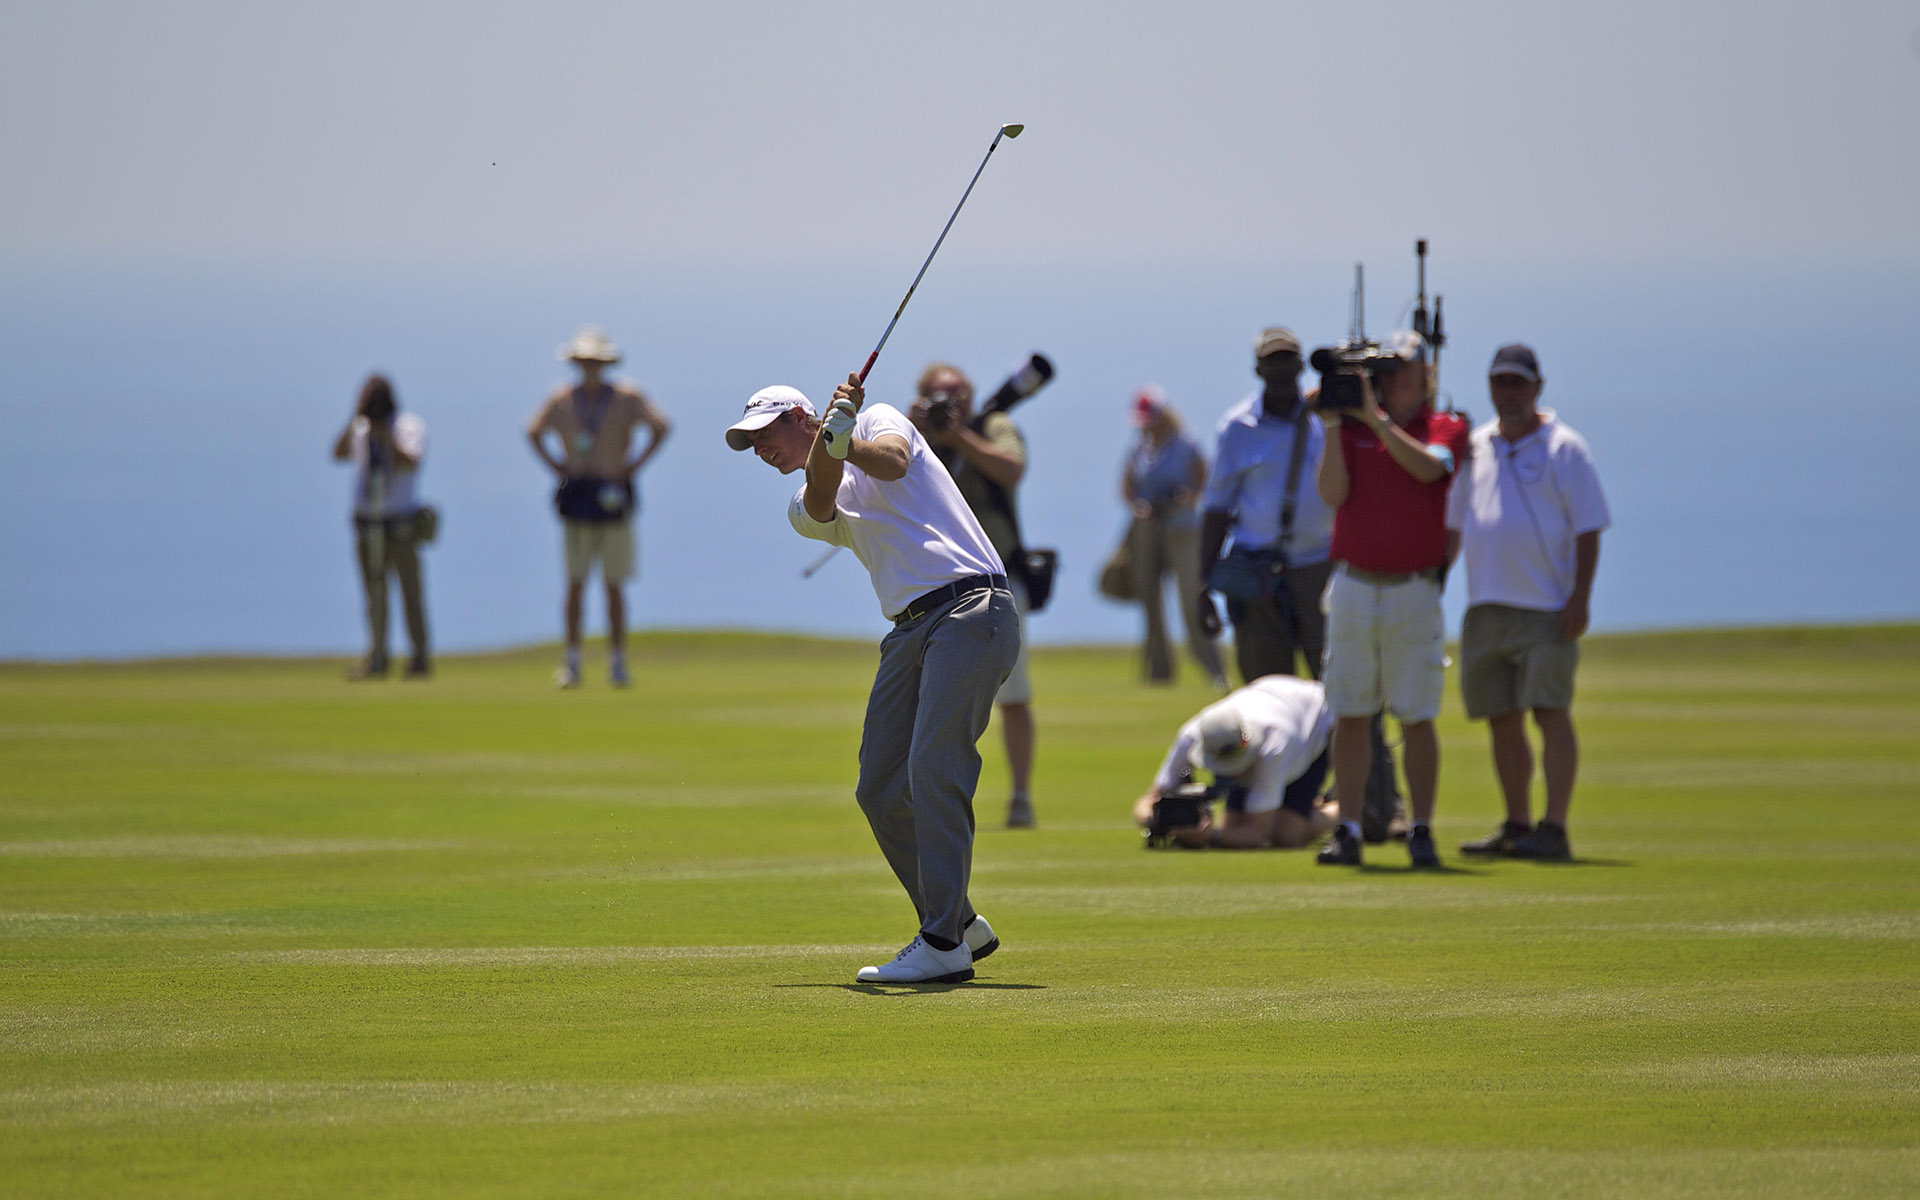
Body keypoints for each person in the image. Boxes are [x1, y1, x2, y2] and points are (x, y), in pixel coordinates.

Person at [726, 376, 1021, 984]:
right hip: (910, 629)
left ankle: (941, 940)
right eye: (749, 442)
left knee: (935, 766)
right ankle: (961, 922)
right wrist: (827, 448)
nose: (759, 449)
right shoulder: (802, 501)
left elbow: (891, 461)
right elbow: (822, 499)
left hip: (970, 608)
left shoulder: (878, 420)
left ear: (800, 416)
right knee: (879, 787)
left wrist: (843, 437)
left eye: (764, 433)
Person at [1446, 343, 1610, 860]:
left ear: (1537, 387)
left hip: (1546, 606)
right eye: (1501, 382)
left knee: (1550, 711)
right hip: (1487, 602)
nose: (1509, 392)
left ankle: (1554, 826)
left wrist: (1579, 599)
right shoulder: (1475, 448)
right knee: (1501, 717)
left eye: (1518, 382)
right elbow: (1454, 525)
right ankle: (1517, 823)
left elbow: (1588, 527)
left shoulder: (1565, 448)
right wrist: (1433, 583)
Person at [1313, 331, 1470, 869]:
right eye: (1391, 371)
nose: (1399, 379)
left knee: (1416, 714)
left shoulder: (1445, 427)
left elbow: (1431, 468)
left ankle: (1422, 826)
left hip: (1412, 590)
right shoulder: (1354, 430)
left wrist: (1377, 422)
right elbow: (1332, 494)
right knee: (1350, 713)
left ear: (1426, 375)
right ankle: (1350, 828)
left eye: (1409, 371)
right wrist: (1336, 424)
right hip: (1355, 586)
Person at [907, 363, 1040, 829]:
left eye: (959, 393)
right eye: (940, 395)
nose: (951, 402)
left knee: (1015, 695)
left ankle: (1021, 797)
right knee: (933, 698)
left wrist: (960, 437)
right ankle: (930, 800)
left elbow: (1011, 469)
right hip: (934, 587)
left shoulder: (992, 427)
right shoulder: (912, 439)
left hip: (999, 580)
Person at [526, 327, 671, 689]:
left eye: (595, 362)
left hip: (613, 495)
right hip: (577, 494)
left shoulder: (626, 398)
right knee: (574, 583)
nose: (590, 368)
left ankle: (617, 662)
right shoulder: (562, 400)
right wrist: (557, 465)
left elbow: (660, 426)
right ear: (576, 364)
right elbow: (533, 431)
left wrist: (633, 466)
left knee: (614, 584)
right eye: (584, 362)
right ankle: (572, 662)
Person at [1195, 327, 1336, 685]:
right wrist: (1203, 584)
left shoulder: (1327, 418)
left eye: (1287, 360)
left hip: (1319, 566)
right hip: (1258, 575)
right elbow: (1217, 506)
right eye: (1272, 362)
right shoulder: (1238, 427)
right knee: (1265, 694)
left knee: (1341, 689)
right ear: (1258, 370)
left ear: (1301, 365)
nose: (1281, 370)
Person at [1131, 675, 1335, 849]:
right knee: (1233, 828)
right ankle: (1312, 805)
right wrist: (1156, 820)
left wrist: (1211, 836)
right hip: (1276, 700)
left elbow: (1258, 833)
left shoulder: (1275, 746)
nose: (1234, 774)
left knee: (1286, 833)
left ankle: (1345, 807)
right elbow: (1149, 799)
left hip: (1314, 723)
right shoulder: (1190, 735)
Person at [1122, 386, 1229, 690]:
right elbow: (1127, 487)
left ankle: (1214, 671)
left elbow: (1204, 479)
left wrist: (1187, 497)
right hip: (1148, 529)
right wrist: (1138, 507)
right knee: (1150, 600)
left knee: (1190, 600)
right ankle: (1159, 673)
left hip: (1183, 530)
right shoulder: (1139, 447)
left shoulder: (1186, 444)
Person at [330, 373, 430, 680]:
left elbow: (410, 461)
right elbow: (338, 453)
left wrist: (386, 435)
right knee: (374, 594)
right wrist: (356, 419)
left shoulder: (407, 427)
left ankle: (419, 658)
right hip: (367, 521)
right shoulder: (360, 431)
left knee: (410, 593)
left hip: (400, 522)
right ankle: (377, 657)